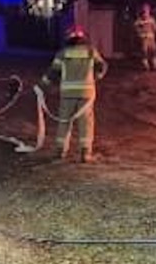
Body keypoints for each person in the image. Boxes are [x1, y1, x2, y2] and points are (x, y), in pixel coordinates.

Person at [40, 25, 108, 162]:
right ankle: (85, 153)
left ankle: (60, 151)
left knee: (64, 122)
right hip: (86, 94)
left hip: (67, 94)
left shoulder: (63, 53)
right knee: (86, 123)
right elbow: (102, 66)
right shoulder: (91, 51)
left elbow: (53, 72)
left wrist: (42, 85)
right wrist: (96, 77)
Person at [132, 3, 156, 71]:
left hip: (151, 38)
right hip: (144, 39)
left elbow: (155, 28)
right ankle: (145, 66)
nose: (145, 11)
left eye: (147, 9)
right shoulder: (139, 21)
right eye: (144, 9)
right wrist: (141, 33)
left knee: (154, 52)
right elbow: (135, 29)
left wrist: (151, 31)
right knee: (144, 52)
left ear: (149, 10)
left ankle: (155, 65)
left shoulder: (152, 19)